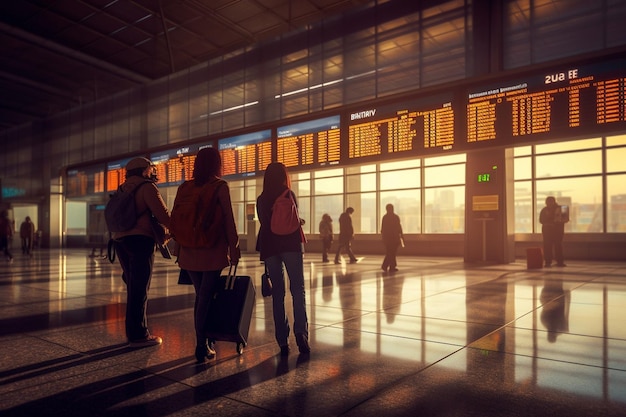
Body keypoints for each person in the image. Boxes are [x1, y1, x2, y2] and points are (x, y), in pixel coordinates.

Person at [176, 147, 241, 363]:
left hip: (188, 250)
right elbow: (228, 220)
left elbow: (178, 220)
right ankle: (201, 344)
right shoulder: (219, 186)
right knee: (204, 295)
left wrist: (178, 247)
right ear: (217, 164)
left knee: (201, 294)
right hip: (211, 250)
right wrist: (234, 246)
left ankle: (204, 341)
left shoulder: (185, 187)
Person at [112, 157, 170, 348]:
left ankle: (133, 331)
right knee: (140, 288)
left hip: (120, 241)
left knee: (133, 287)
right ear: (145, 170)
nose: (153, 172)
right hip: (140, 241)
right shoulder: (147, 187)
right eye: (151, 169)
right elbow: (164, 216)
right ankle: (139, 335)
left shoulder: (122, 188)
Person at [256, 162, 310, 356]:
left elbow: (265, 223)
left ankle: (282, 340)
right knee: (298, 289)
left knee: (278, 294)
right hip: (291, 244)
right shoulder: (288, 194)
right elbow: (293, 219)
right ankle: (301, 333)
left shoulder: (261, 199)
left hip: (270, 246)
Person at [539, 196, 566, 267]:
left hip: (557, 231)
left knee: (558, 246)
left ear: (554, 202)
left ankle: (559, 261)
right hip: (548, 231)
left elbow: (565, 219)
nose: (549, 203)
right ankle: (548, 261)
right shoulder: (544, 210)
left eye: (550, 202)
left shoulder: (561, 209)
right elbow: (541, 220)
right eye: (547, 202)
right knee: (548, 246)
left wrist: (553, 222)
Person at [380, 204, 403, 272]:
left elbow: (383, 229)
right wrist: (401, 235)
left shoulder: (385, 217)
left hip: (387, 238)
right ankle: (388, 266)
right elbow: (399, 227)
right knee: (392, 252)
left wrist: (383, 237)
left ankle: (390, 266)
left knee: (390, 252)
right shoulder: (395, 217)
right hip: (394, 238)